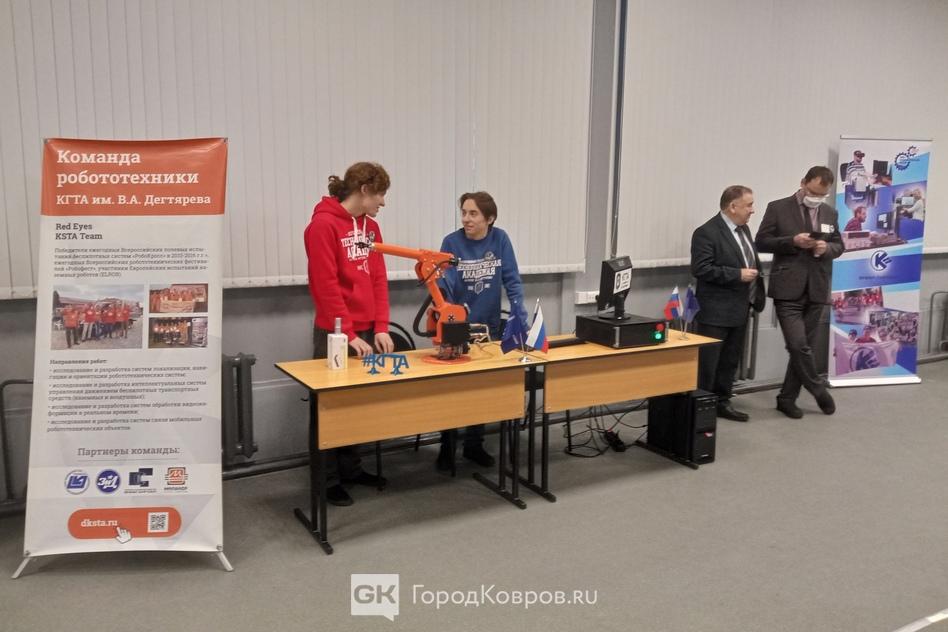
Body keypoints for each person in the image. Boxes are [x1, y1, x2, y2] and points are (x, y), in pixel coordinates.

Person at [304, 161, 393, 507]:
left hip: (366, 330)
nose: (383, 202)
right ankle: (326, 480)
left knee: (357, 405)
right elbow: (325, 285)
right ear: (364, 190)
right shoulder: (322, 226)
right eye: (380, 194)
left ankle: (351, 469)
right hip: (336, 333)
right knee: (329, 407)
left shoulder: (372, 228)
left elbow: (378, 278)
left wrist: (381, 326)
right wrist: (350, 332)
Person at [435, 191, 528, 469]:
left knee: (482, 389)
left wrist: (519, 312)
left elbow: (512, 279)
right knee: (453, 391)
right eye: (464, 212)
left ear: (490, 218)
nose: (466, 219)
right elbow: (444, 284)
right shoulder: (451, 242)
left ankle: (474, 445)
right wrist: (447, 314)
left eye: (473, 213)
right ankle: (447, 446)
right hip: (457, 327)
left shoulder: (500, 239)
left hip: (489, 327)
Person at [756, 166, 845, 419]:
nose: (816, 197)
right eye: (813, 192)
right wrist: (792, 241)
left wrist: (825, 248)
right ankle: (817, 388)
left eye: (821, 194)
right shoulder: (778, 208)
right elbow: (761, 241)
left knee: (804, 348)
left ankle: (787, 399)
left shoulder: (830, 213)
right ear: (803, 182)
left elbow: (839, 245)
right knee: (797, 345)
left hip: (817, 287)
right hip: (788, 287)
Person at [690, 185, 766, 422]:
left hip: (741, 307)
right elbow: (701, 269)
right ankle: (701, 408)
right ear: (733, 206)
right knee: (708, 364)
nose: (752, 210)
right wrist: (737, 274)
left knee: (730, 361)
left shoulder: (744, 230)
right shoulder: (706, 232)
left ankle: (723, 401)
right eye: (749, 205)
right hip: (715, 311)